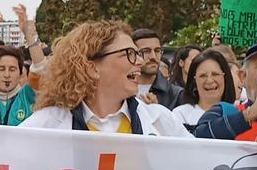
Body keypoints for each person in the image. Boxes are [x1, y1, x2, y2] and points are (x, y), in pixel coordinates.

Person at [20, 21, 202, 138]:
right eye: (129, 54)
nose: (139, 61)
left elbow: (197, 166)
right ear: (91, 68)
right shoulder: (46, 125)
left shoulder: (161, 120)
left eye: (138, 54)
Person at [172, 49, 237, 131]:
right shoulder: (180, 115)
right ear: (194, 81)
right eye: (203, 76)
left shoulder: (237, 115)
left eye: (215, 74)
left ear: (225, 77)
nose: (209, 80)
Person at [0, 45, 35, 126]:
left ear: (21, 74)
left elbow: (40, 68)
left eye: (12, 69)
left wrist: (31, 37)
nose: (7, 75)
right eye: (2, 69)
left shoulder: (28, 95)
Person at [131, 28, 184, 108]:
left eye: (157, 51)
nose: (153, 57)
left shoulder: (176, 95)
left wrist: (157, 111)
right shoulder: (121, 90)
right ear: (133, 54)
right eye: (146, 51)